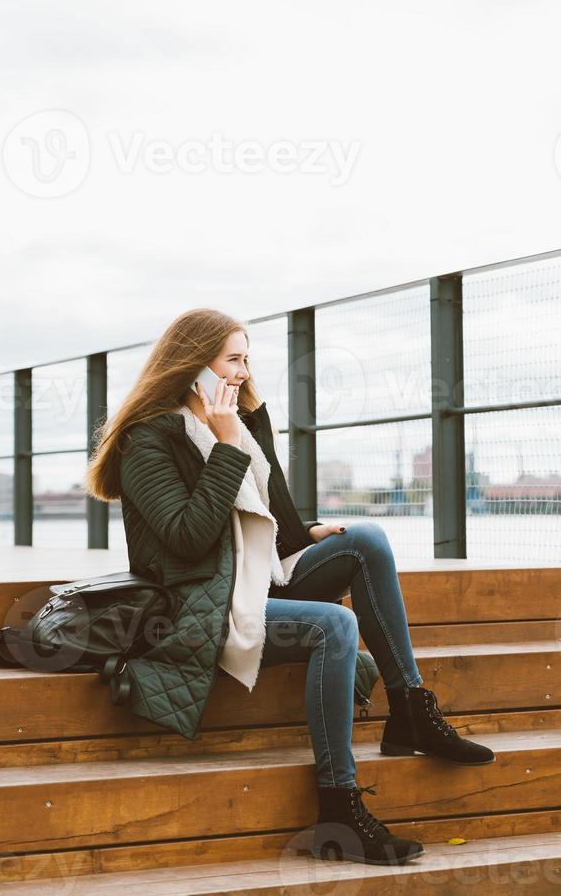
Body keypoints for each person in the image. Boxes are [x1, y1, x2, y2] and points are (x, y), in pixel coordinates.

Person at [86, 308, 495, 868]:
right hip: (196, 605)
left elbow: (274, 525)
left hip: (252, 581)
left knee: (366, 540)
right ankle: (338, 809)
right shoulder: (147, 440)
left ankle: (411, 710)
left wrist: (307, 533)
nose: (242, 372)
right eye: (232, 359)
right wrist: (227, 446)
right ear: (191, 365)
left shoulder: (246, 420)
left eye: (246, 358)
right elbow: (186, 539)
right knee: (336, 624)